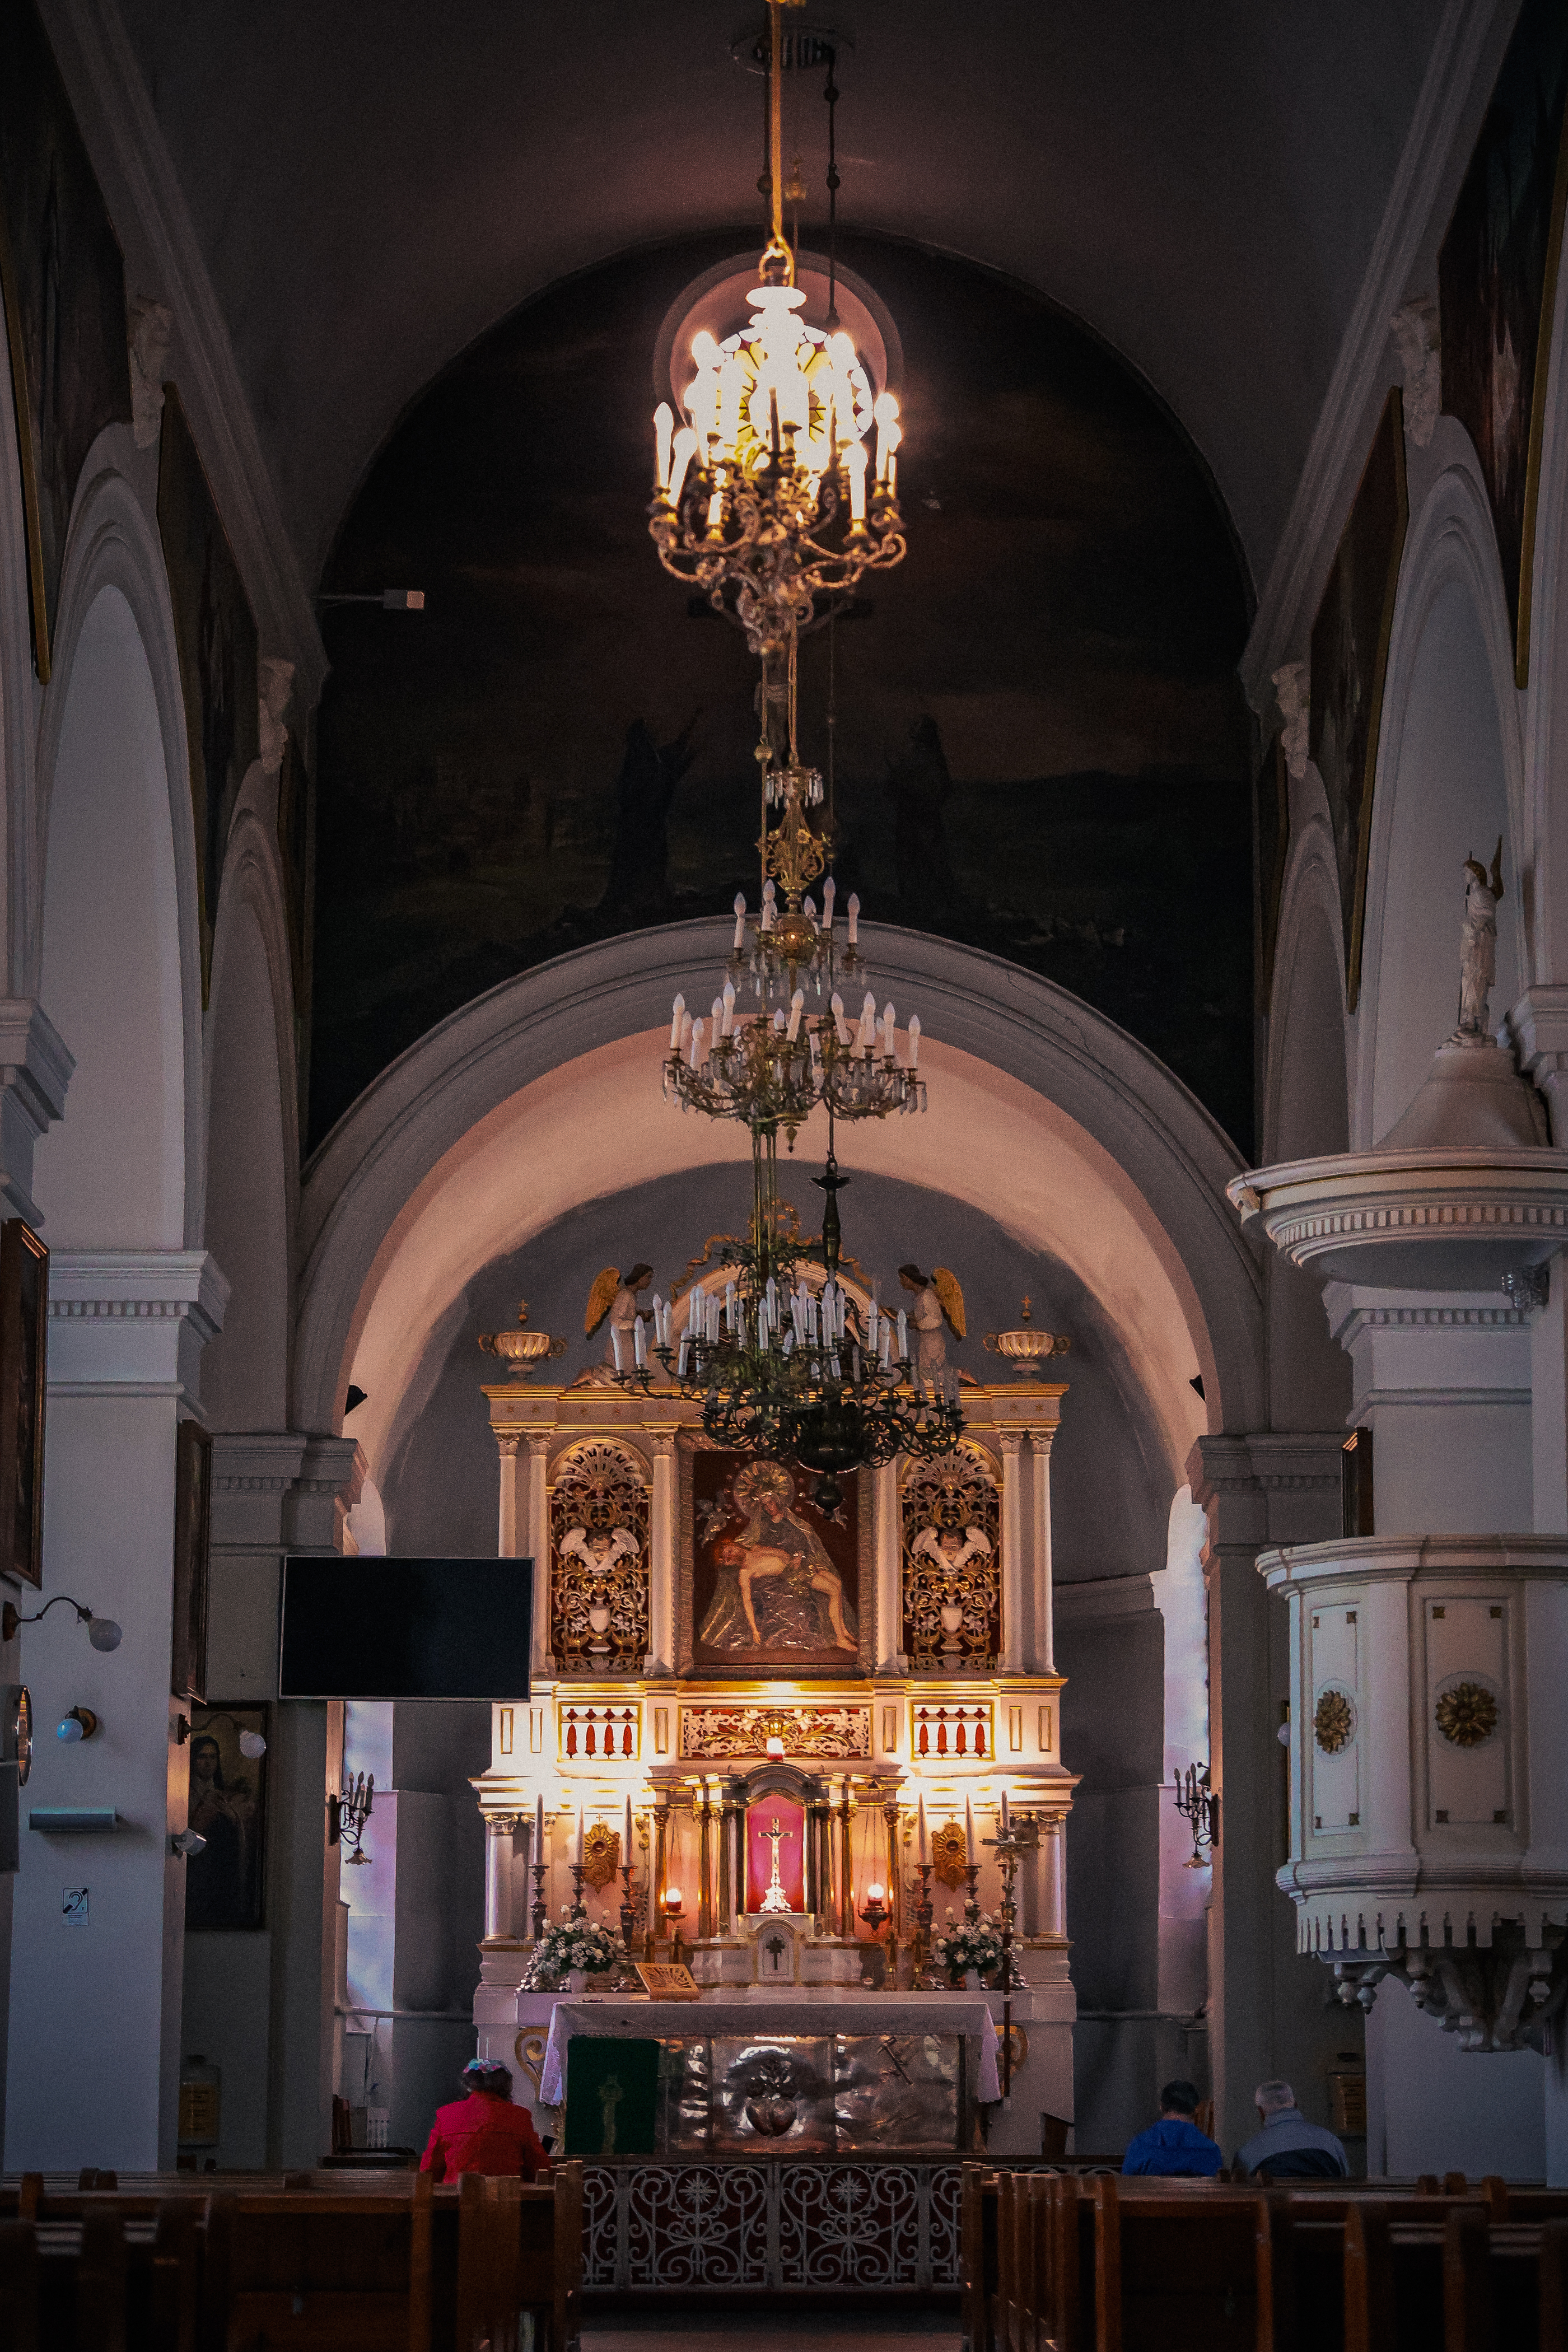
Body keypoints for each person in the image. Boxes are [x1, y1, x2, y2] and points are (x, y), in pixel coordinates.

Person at [419, 2059, 551, 2181]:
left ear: (468, 2084)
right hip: (508, 2200)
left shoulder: (446, 2114)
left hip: (455, 2201)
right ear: (505, 2085)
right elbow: (540, 2167)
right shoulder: (520, 2116)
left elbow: (429, 2169)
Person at [1234, 2079, 1348, 2180]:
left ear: (1261, 2112)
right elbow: (1346, 2182)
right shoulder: (1330, 2141)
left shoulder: (1247, 2153)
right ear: (1296, 2105)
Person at [1122, 2079, 1222, 2176]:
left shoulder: (1140, 2145)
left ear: (1162, 2106)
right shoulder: (1211, 2151)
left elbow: (1126, 2185)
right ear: (1195, 2111)